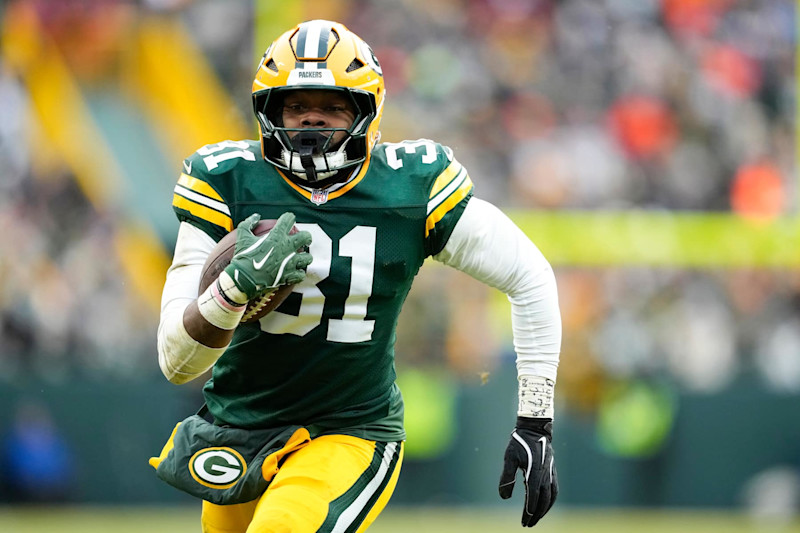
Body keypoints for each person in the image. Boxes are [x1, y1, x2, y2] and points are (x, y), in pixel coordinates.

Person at [155, 19, 561, 532]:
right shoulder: (226, 180)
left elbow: (530, 277)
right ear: (268, 112)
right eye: (296, 106)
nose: (311, 122)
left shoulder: (411, 187)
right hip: (240, 428)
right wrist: (234, 290)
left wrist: (535, 421)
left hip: (351, 430)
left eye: (332, 106)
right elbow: (177, 362)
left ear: (366, 112)